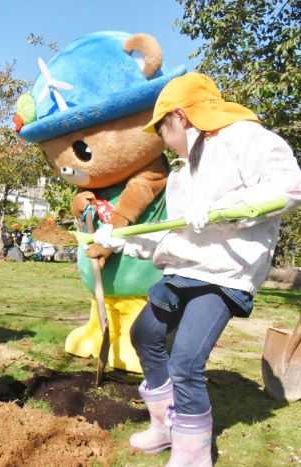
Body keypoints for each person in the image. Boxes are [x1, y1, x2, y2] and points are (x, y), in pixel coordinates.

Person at [91, 72, 301, 466]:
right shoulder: (181, 175)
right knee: (145, 334)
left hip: (224, 273)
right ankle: (165, 425)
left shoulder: (244, 139)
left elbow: (288, 187)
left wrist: (228, 213)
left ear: (181, 117)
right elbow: (176, 234)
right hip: (185, 270)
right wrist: (125, 240)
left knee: (186, 361)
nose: (163, 141)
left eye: (162, 130)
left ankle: (192, 453)